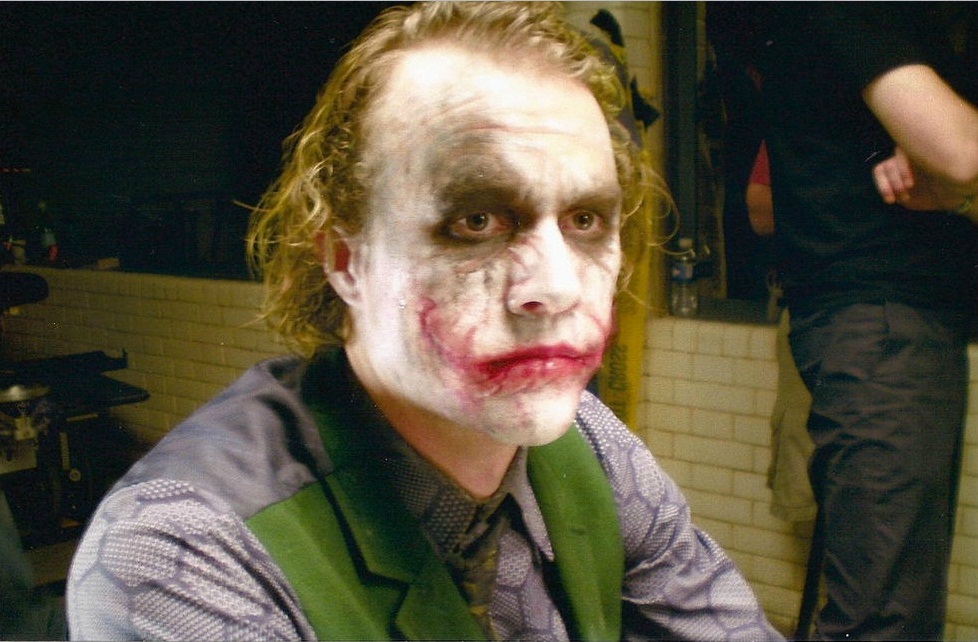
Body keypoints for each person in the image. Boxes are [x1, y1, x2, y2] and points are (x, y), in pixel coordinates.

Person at [65, 3, 781, 640]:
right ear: (345, 259)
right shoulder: (184, 551)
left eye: (586, 220)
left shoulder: (593, 450)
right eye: (476, 221)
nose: (559, 288)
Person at [753, 3, 978, 640]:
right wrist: (957, 163)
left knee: (896, 605)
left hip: (895, 324)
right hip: (879, 325)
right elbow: (961, 150)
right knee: (884, 618)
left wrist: (959, 188)